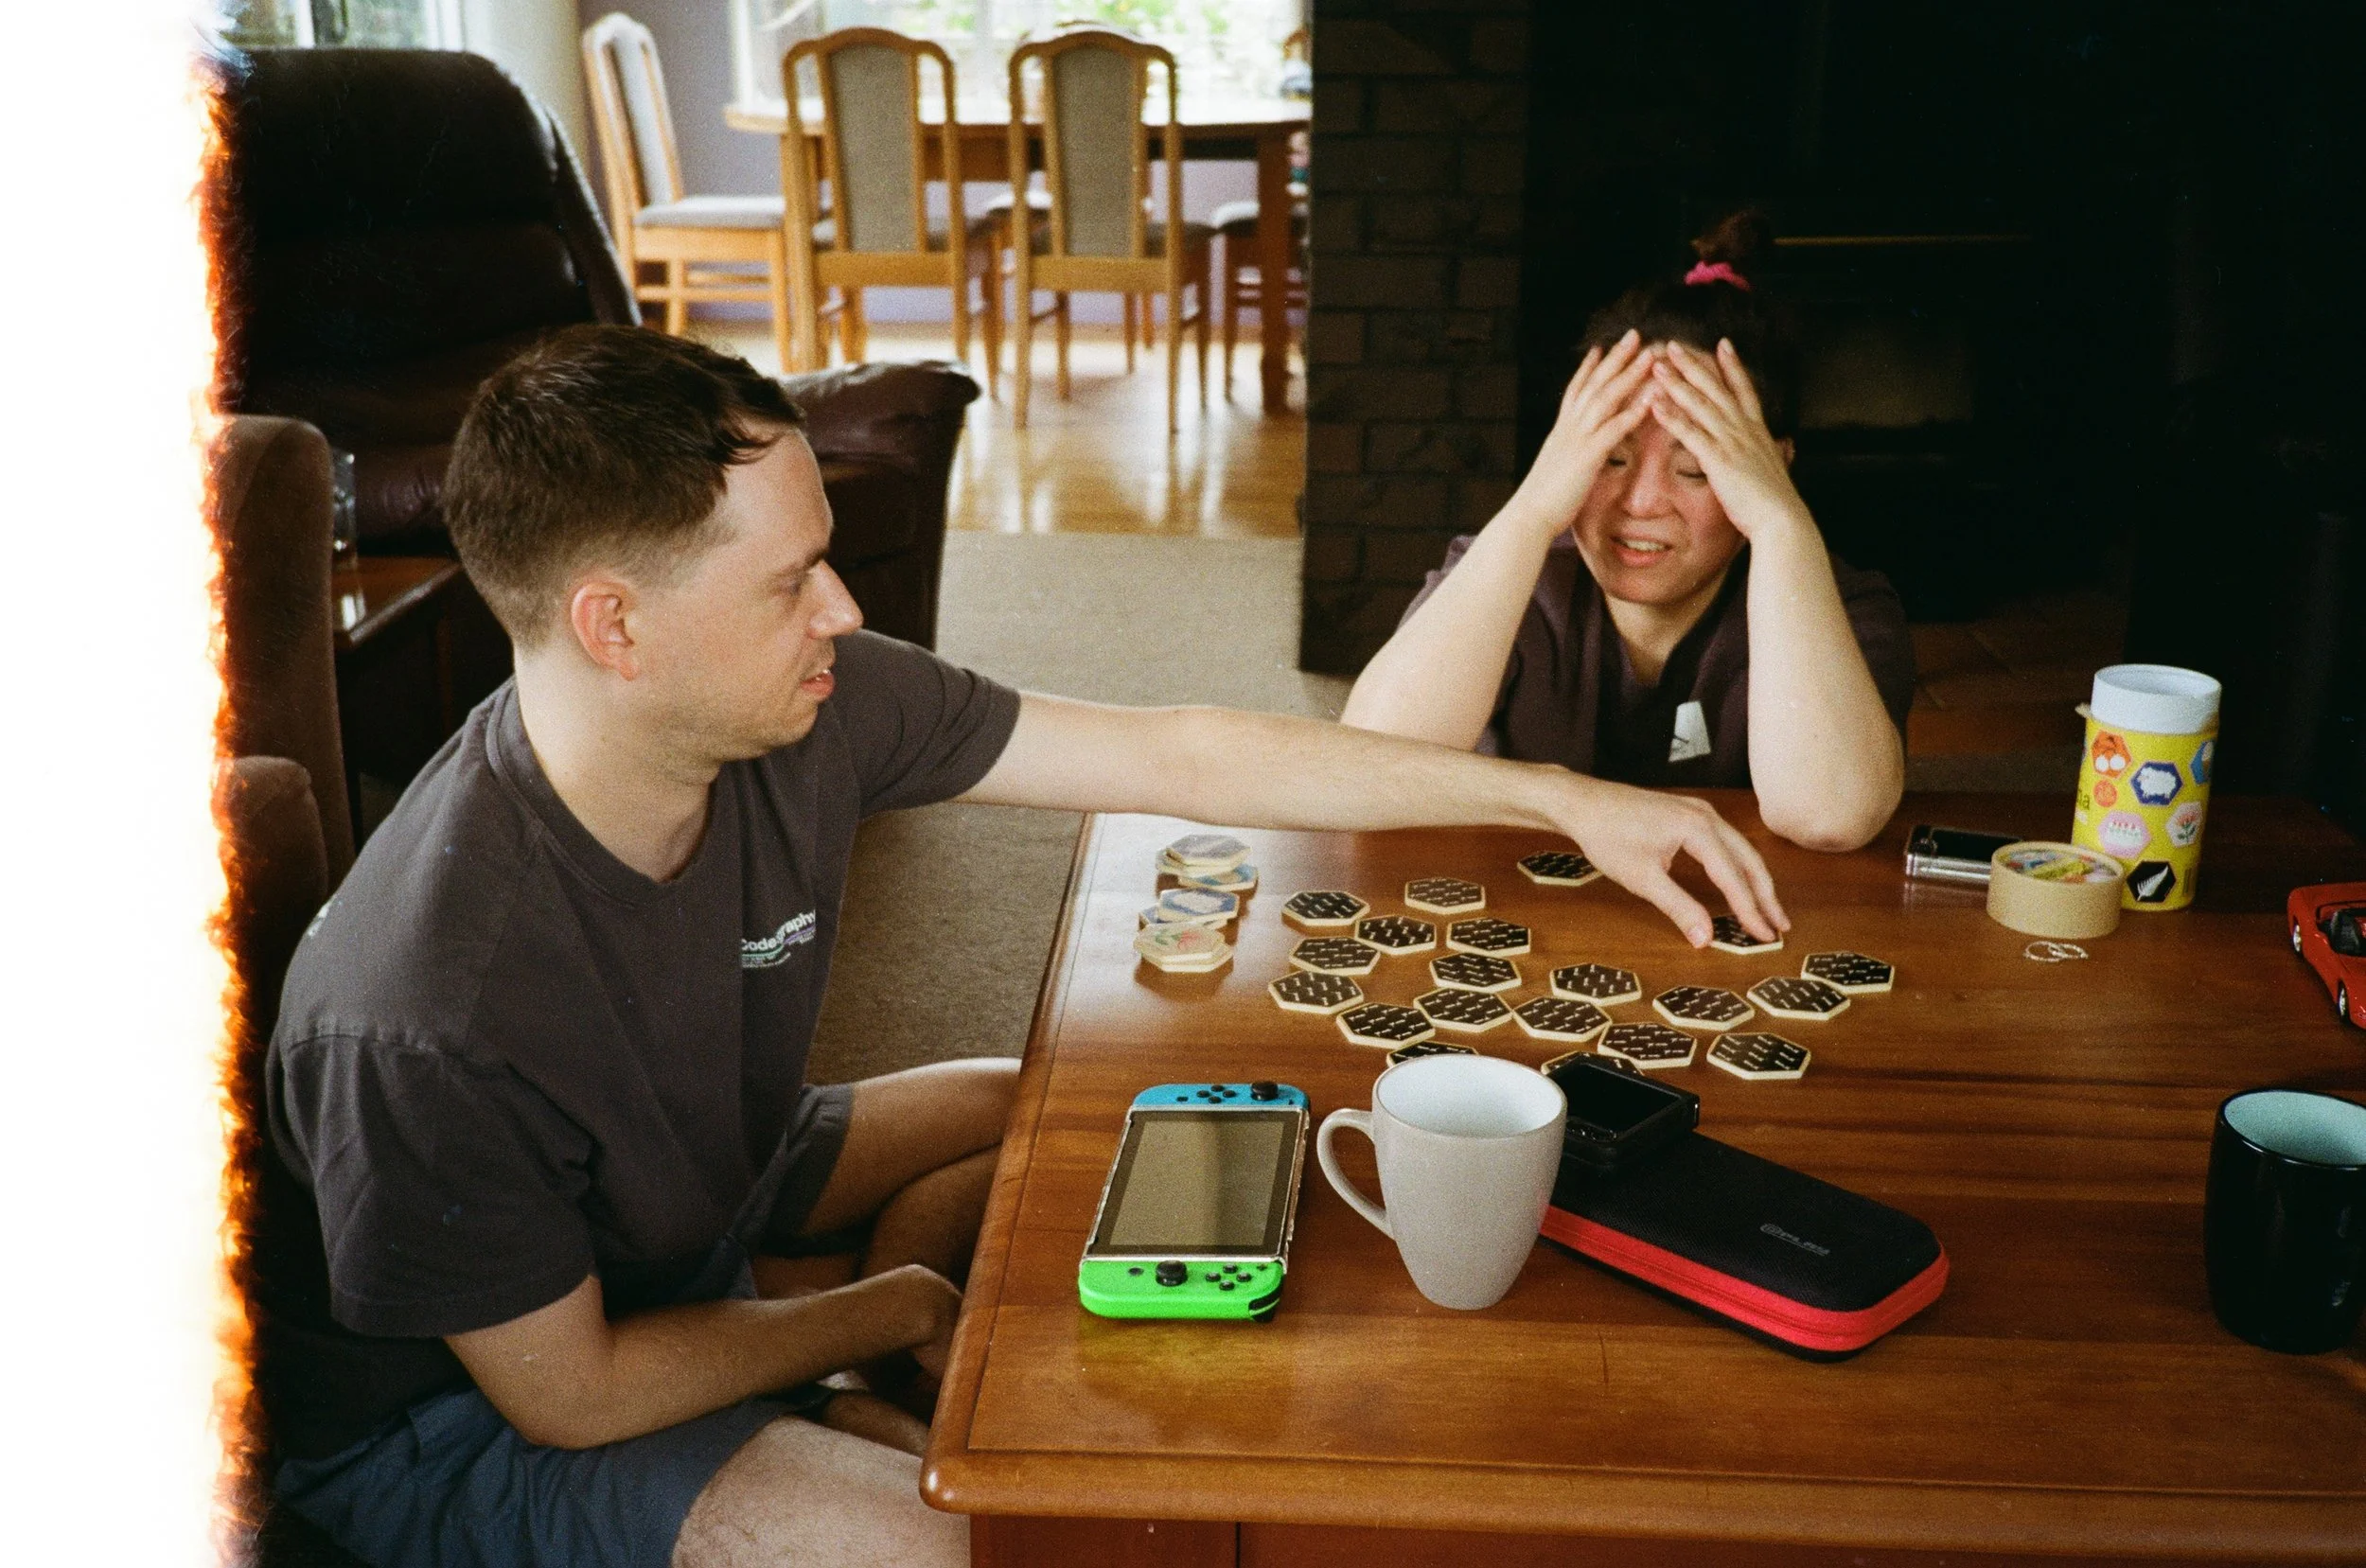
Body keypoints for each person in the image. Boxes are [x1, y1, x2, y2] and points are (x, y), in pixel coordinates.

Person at [257, 325, 1789, 1568]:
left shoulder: (807, 700)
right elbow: (575, 1396)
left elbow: (1183, 752)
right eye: (792, 578)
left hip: (696, 1180)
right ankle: (843, 1361)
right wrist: (896, 1314)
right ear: (612, 626)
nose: (845, 608)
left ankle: (820, 1345)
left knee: (1073, 1090)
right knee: (998, 1541)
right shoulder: (426, 1009)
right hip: (461, 1424)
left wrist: (1562, 794)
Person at [1341, 211, 1916, 853]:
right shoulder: (1507, 572)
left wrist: (1782, 524)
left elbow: (1831, 815)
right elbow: (1368, 770)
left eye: (1695, 469)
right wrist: (1531, 509)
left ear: (1770, 467)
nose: (1640, 503)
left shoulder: (1838, 605)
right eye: (1611, 456)